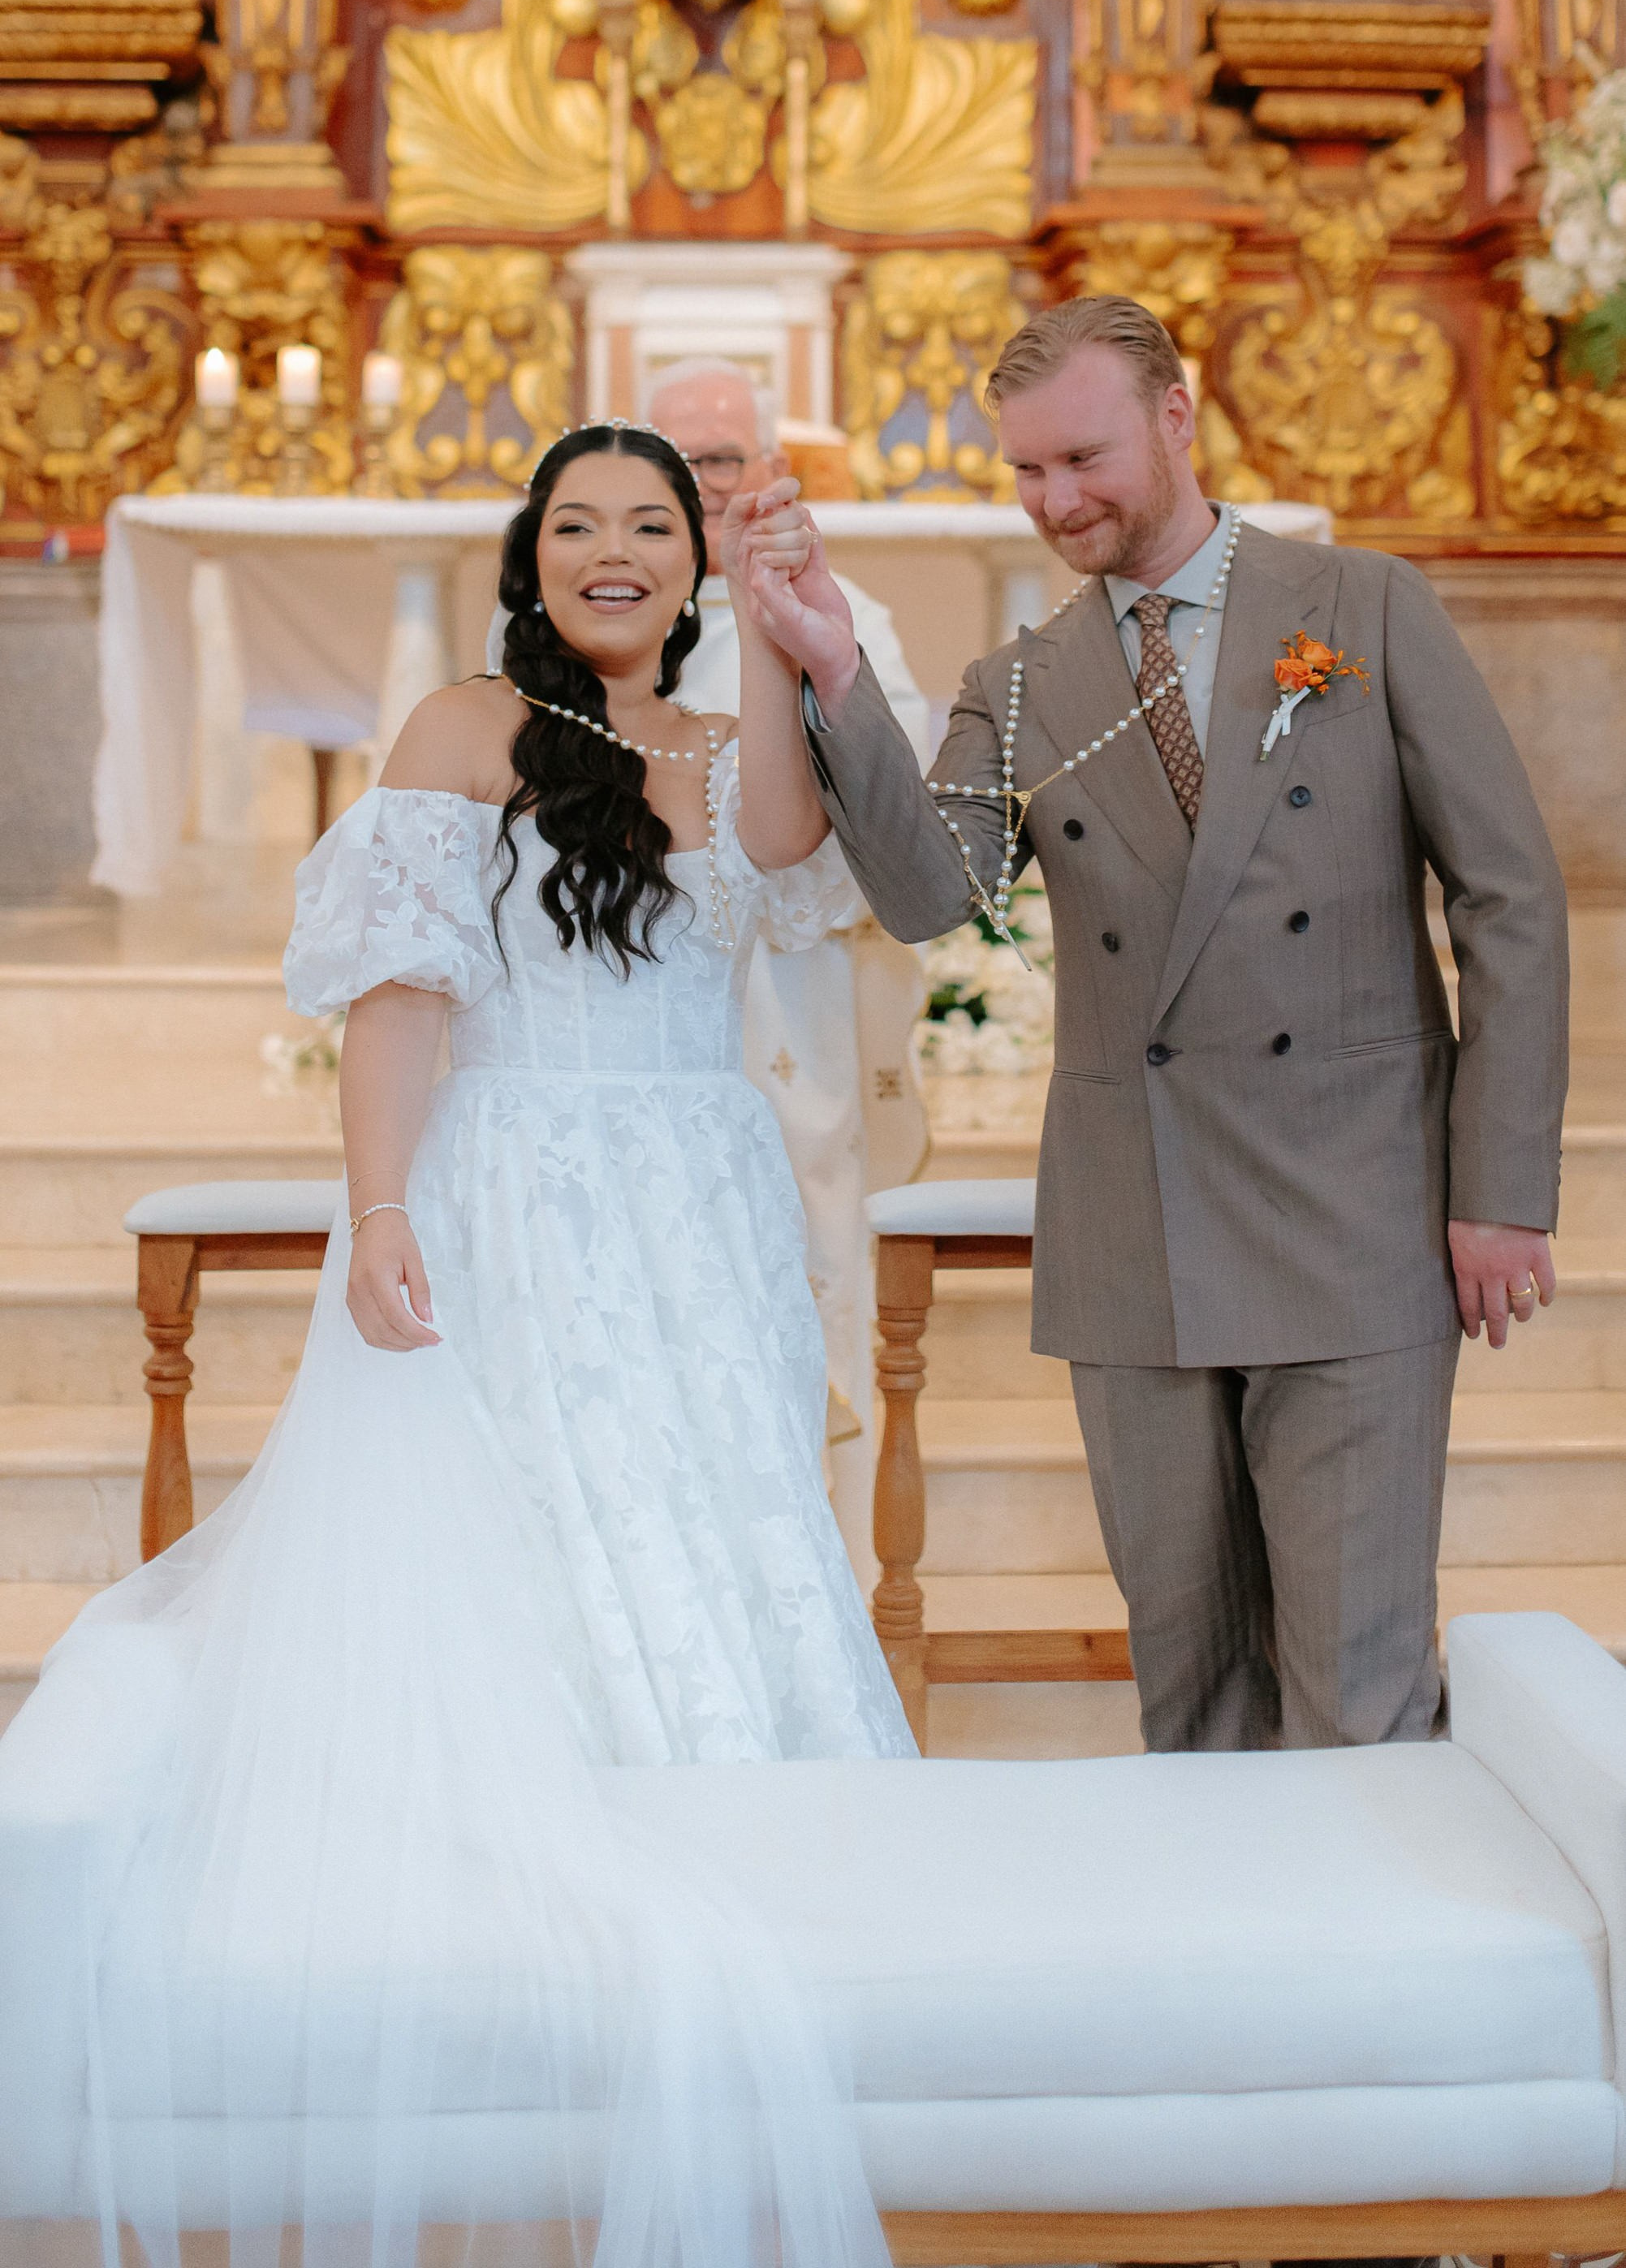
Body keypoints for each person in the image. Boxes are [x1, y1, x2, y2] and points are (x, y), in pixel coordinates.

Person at [0, 422, 911, 2268]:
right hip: (513, 1183)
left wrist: (794, 626)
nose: (614, 554)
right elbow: (403, 993)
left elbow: (814, 863)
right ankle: (523, 1952)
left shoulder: (740, 747)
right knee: (536, 1509)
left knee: (713, 1510)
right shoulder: (455, 732)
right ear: (533, 555)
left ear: (689, 567)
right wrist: (384, 1206)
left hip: (697, 1192)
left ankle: (783, 1880)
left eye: (651, 528)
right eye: (578, 526)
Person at [733, 293, 1570, 1761]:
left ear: (1176, 418)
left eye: (1084, 459)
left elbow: (1509, 901)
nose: (1058, 502)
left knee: (1360, 1691)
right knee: (1194, 1705)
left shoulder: (1365, 607)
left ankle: (1379, 1990)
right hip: (1141, 1231)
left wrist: (1499, 1192)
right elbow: (936, 895)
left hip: (1358, 1209)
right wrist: (837, 676)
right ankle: (1233, 1986)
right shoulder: (1021, 681)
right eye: (1027, 474)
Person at [646, 359, 931, 1541]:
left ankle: (813, 1570)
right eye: (675, 458)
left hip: (786, 1010)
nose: (699, 485)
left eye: (720, 459)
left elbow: (898, 810)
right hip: (641, 1014)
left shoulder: (842, 609)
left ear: (771, 467)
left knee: (795, 1277)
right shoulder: (590, 602)